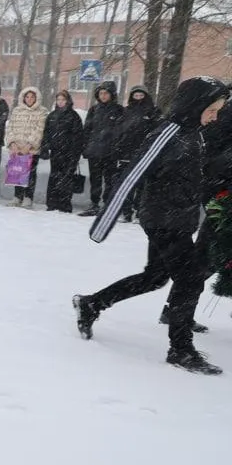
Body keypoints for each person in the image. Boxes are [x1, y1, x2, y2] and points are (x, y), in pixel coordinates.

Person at [75, 76, 230, 375]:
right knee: (190, 279)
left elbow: (197, 175)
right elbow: (132, 175)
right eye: (212, 109)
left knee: (156, 277)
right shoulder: (168, 133)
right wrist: (104, 223)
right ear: (196, 105)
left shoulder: (194, 133)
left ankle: (92, 303)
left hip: (180, 218)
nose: (214, 116)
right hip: (162, 219)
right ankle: (180, 349)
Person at [114, 86, 160, 222]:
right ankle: (126, 212)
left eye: (141, 96)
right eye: (136, 96)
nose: (139, 98)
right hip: (126, 153)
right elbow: (119, 131)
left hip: (145, 152)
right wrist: (119, 147)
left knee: (142, 185)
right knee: (127, 184)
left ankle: (139, 212)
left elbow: (157, 131)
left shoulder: (153, 111)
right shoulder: (126, 111)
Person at [79, 82, 124, 216]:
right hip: (94, 151)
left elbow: (121, 131)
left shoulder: (119, 110)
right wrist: (85, 147)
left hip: (111, 152)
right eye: (101, 93)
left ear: (112, 94)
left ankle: (108, 204)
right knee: (95, 180)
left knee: (110, 180)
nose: (103, 96)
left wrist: (117, 148)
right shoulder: (94, 110)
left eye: (106, 93)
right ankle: (94, 204)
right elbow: (87, 130)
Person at [41, 90, 84, 213]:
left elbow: (78, 136)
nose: (60, 102)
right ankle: (52, 203)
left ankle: (64, 203)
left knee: (66, 177)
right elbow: (46, 133)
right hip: (55, 152)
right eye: (58, 100)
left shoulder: (73, 116)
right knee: (54, 176)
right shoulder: (52, 115)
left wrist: (76, 153)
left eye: (63, 100)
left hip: (69, 153)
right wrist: (45, 147)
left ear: (68, 101)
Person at [4, 87, 47, 208]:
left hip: (31, 149)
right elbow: (10, 127)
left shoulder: (41, 111)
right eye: (27, 97)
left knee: (30, 174)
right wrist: (12, 143)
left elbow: (40, 130)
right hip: (16, 148)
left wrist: (29, 145)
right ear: (23, 98)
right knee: (17, 172)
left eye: (32, 97)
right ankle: (17, 197)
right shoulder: (17, 110)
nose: (29, 99)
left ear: (36, 98)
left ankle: (28, 197)